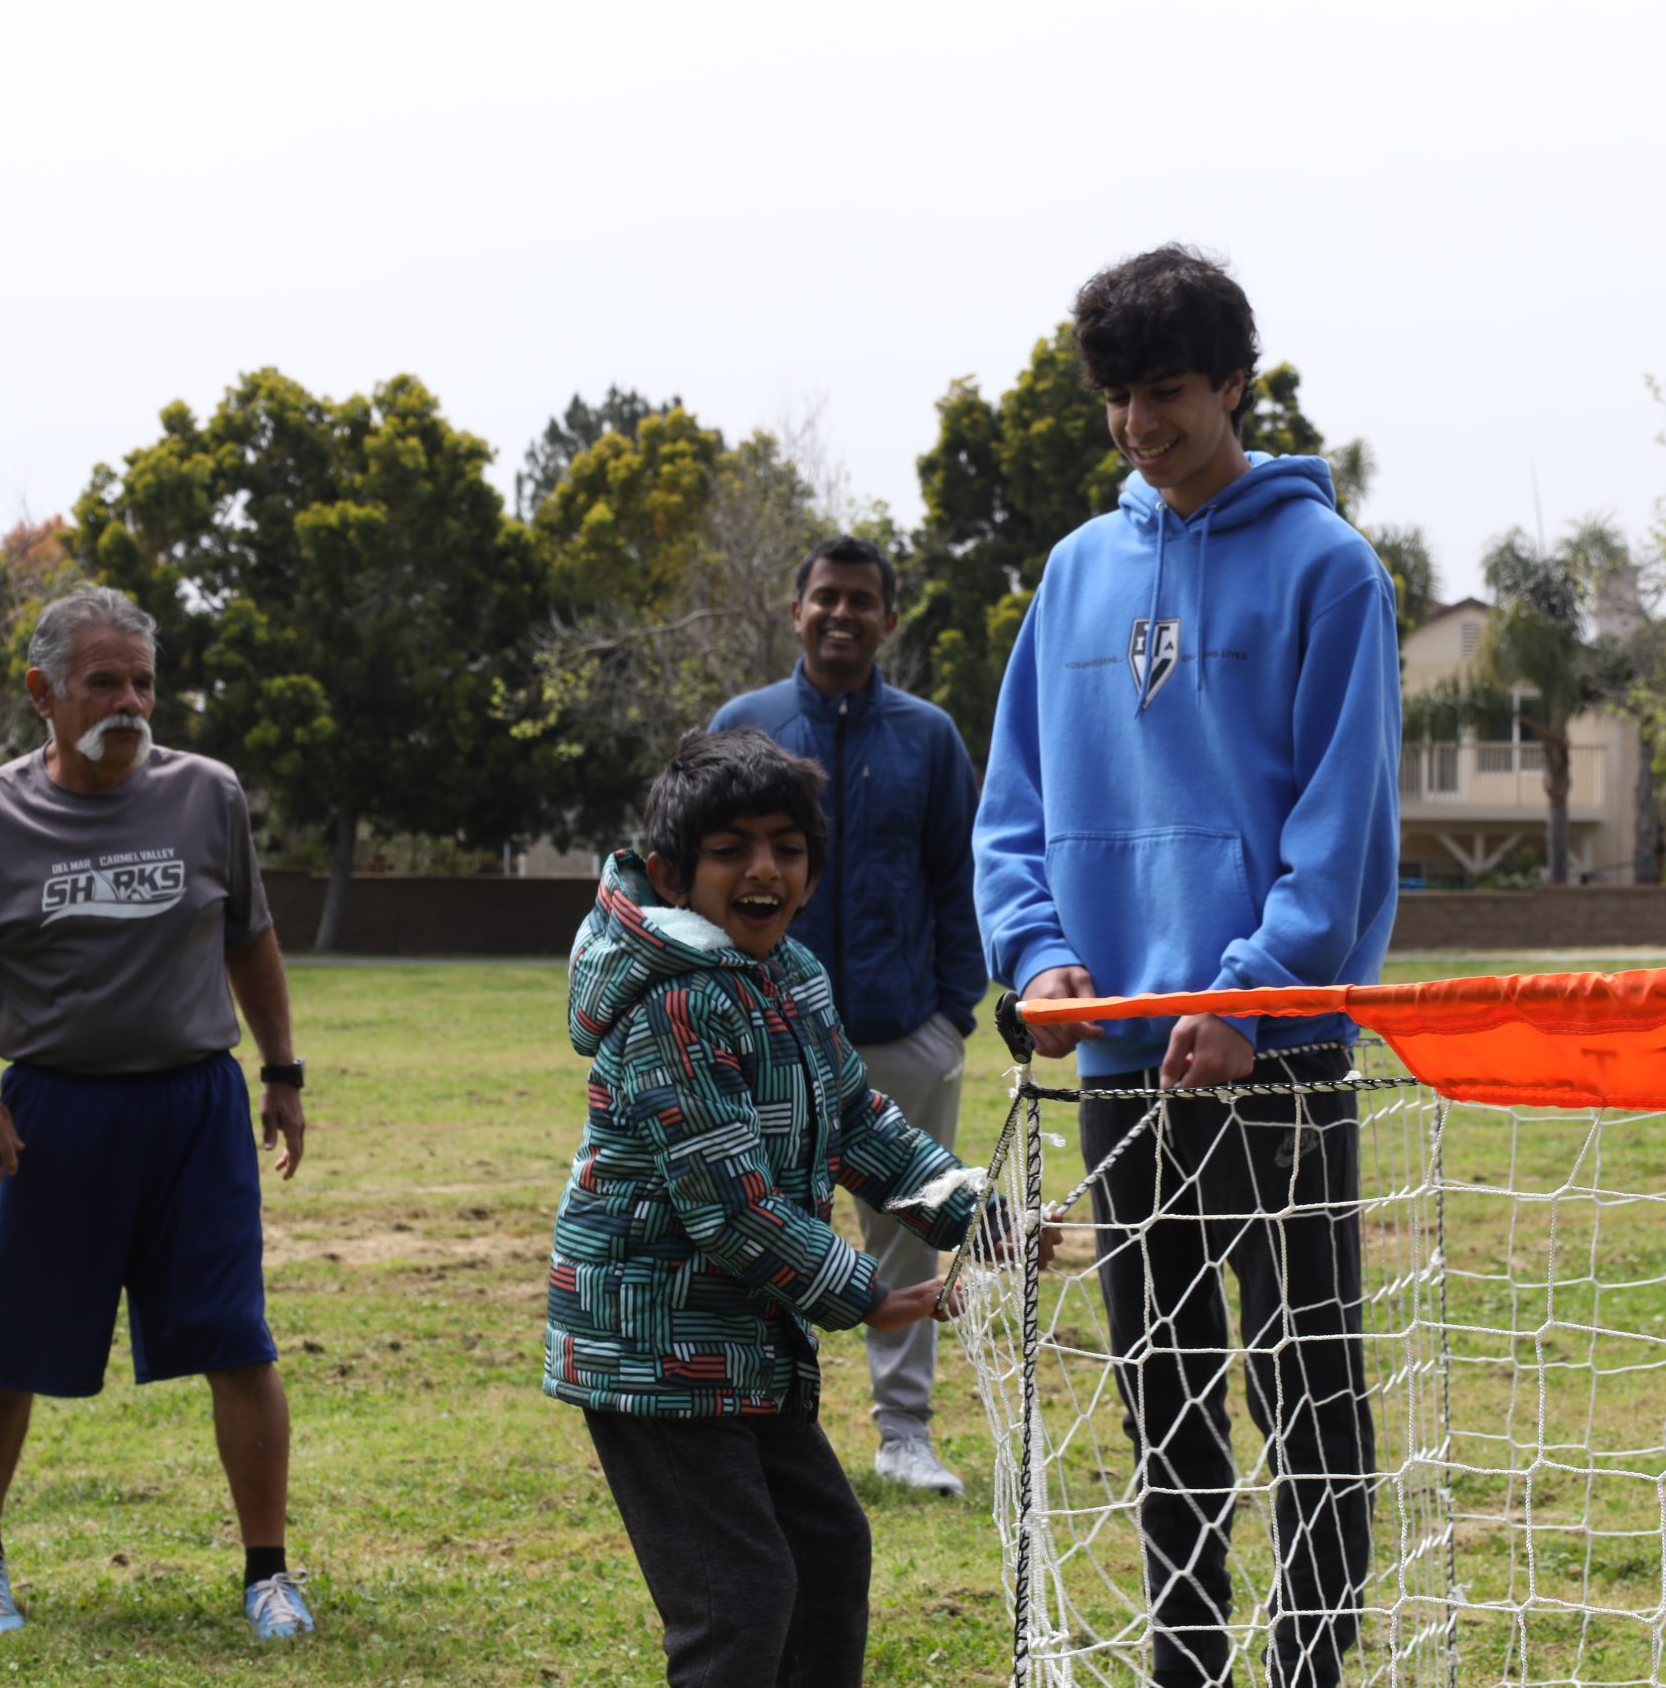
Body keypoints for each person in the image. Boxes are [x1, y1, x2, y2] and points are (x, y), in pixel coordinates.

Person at [973, 245, 1402, 1688]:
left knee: (1307, 1392)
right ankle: (1186, 1665)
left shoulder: (1331, 571)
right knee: (1165, 1397)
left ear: (1236, 384)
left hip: (1275, 1055)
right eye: (1115, 397)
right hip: (1117, 1058)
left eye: (1166, 392)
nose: (1139, 424)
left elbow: (1338, 833)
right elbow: (1015, 804)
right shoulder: (1077, 570)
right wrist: (1034, 953)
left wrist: (1242, 994)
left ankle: (1309, 1669)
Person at [0, 584, 315, 1640]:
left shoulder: (206, 794)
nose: (130, 701)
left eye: (144, 682)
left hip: (193, 1109)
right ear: (42, 692)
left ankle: (268, 1575)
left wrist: (282, 1070)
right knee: (7, 1348)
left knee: (239, 1343)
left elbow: (248, 935)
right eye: (103, 681)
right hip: (52, 1116)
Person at [545, 727, 1010, 1688]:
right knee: (739, 1599)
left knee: (829, 1554)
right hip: (656, 1351)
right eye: (732, 848)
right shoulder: (671, 1003)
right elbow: (729, 1204)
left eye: (787, 848)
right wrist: (866, 1292)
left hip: (743, 1339)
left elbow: (856, 1121)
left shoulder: (792, 976)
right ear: (673, 872)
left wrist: (981, 1213)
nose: (763, 869)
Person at [708, 534, 986, 1495]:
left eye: (861, 600)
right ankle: (763, 1427)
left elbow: (961, 881)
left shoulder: (929, 736)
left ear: (887, 618)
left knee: (908, 1227)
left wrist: (950, 1015)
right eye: (824, 596)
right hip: (760, 1035)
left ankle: (904, 1432)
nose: (841, 614)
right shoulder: (745, 726)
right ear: (796, 610)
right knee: (765, 1228)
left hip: (902, 1033)